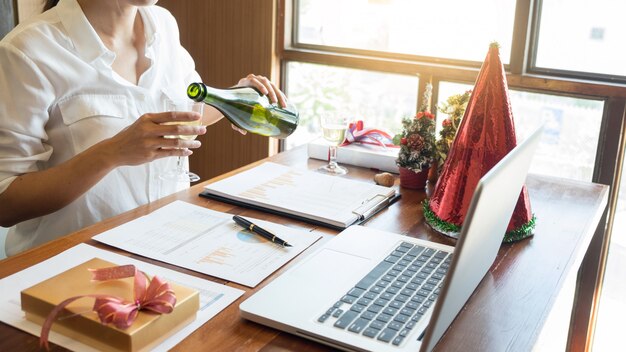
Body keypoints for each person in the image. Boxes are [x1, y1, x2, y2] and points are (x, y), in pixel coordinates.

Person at [0, 0, 287, 256]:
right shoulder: (27, 51)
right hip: (68, 267)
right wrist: (111, 153)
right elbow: (7, 203)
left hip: (166, 247)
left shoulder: (163, 24)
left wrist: (235, 99)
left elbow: (181, 119)